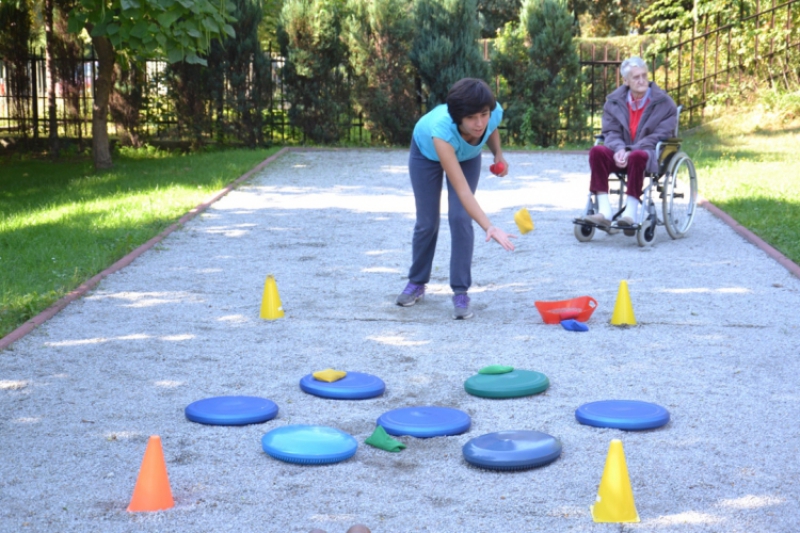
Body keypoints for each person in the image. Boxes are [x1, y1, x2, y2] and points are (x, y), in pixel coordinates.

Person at [395, 78, 516, 320]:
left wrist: (498, 155)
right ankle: (417, 282)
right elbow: (462, 191)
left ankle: (461, 291)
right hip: (426, 154)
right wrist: (489, 226)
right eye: (472, 118)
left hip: (468, 155)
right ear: (458, 118)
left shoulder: (491, 113)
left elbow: (491, 128)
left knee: (460, 217)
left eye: (483, 114)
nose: (479, 122)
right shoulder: (442, 131)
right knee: (427, 222)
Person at [584, 56, 678, 228]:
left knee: (637, 156)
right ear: (626, 81)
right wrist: (620, 149)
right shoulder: (613, 102)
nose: (642, 80)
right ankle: (604, 211)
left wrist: (630, 149)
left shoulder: (665, 104)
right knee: (597, 151)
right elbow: (610, 131)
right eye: (636, 77)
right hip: (620, 152)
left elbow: (661, 134)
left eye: (644, 75)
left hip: (648, 153)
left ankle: (630, 214)